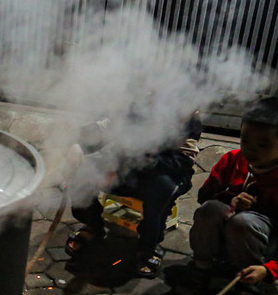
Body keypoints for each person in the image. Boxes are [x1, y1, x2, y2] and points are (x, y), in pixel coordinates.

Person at [178, 96, 278, 295]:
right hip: (226, 237)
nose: (250, 151)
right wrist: (228, 198)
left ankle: (248, 285)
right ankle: (201, 267)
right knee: (209, 210)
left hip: (262, 249)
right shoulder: (232, 160)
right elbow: (204, 196)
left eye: (263, 144)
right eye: (245, 140)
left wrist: (268, 269)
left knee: (244, 222)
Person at [66, 113, 202, 279]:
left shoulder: (188, 118)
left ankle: (148, 247)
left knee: (161, 189)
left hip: (164, 173)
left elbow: (183, 161)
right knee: (84, 173)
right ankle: (93, 225)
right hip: (126, 168)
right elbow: (107, 128)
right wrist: (78, 143)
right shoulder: (140, 103)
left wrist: (140, 158)